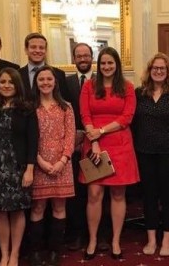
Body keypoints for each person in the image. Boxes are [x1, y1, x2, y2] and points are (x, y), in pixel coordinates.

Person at [80, 47, 139, 260]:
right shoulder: (88, 86)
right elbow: (85, 114)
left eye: (110, 63)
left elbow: (127, 117)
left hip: (120, 144)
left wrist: (102, 131)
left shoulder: (127, 87)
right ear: (99, 65)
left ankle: (115, 240)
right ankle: (93, 240)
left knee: (117, 194)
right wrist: (94, 139)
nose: (106, 67)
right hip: (93, 145)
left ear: (117, 65)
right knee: (94, 194)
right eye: (103, 63)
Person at [0, 68, 38, 266]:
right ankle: (4, 253)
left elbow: (33, 141)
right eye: (3, 82)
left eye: (11, 82)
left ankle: (15, 254)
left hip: (18, 168)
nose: (6, 85)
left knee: (18, 211)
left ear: (17, 84)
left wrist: (30, 169)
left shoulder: (27, 109)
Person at [132, 53, 169, 257]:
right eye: (155, 68)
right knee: (149, 198)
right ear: (150, 70)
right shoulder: (140, 93)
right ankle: (152, 239)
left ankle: (166, 241)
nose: (158, 71)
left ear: (168, 71)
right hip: (144, 153)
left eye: (162, 68)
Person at [28, 66, 76, 266]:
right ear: (36, 83)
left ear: (55, 82)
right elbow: (28, 137)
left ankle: (56, 251)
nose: (45, 82)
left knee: (59, 206)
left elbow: (71, 136)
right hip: (38, 162)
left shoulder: (66, 107)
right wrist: (39, 160)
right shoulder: (30, 107)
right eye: (41, 79)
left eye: (49, 79)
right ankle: (36, 252)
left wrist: (63, 160)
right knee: (38, 207)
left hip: (62, 164)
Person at [65, 43, 94, 251]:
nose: (82, 59)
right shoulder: (65, 82)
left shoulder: (102, 81)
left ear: (92, 57)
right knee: (76, 193)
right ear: (73, 58)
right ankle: (77, 233)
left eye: (86, 55)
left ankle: (100, 234)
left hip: (97, 144)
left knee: (97, 191)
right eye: (79, 56)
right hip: (73, 146)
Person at [18, 33, 70, 100]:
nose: (37, 50)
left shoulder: (59, 74)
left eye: (41, 48)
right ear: (26, 50)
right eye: (33, 47)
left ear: (45, 51)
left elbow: (64, 100)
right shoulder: (18, 74)